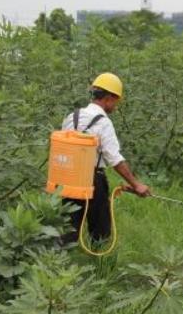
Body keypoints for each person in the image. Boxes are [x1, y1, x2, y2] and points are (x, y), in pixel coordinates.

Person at [60, 72, 150, 244]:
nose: (115, 106)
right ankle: (99, 265)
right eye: (115, 101)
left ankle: (58, 262)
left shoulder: (72, 116)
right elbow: (114, 159)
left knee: (69, 227)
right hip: (93, 179)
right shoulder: (103, 122)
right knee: (100, 232)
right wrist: (136, 185)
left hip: (68, 177)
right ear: (109, 98)